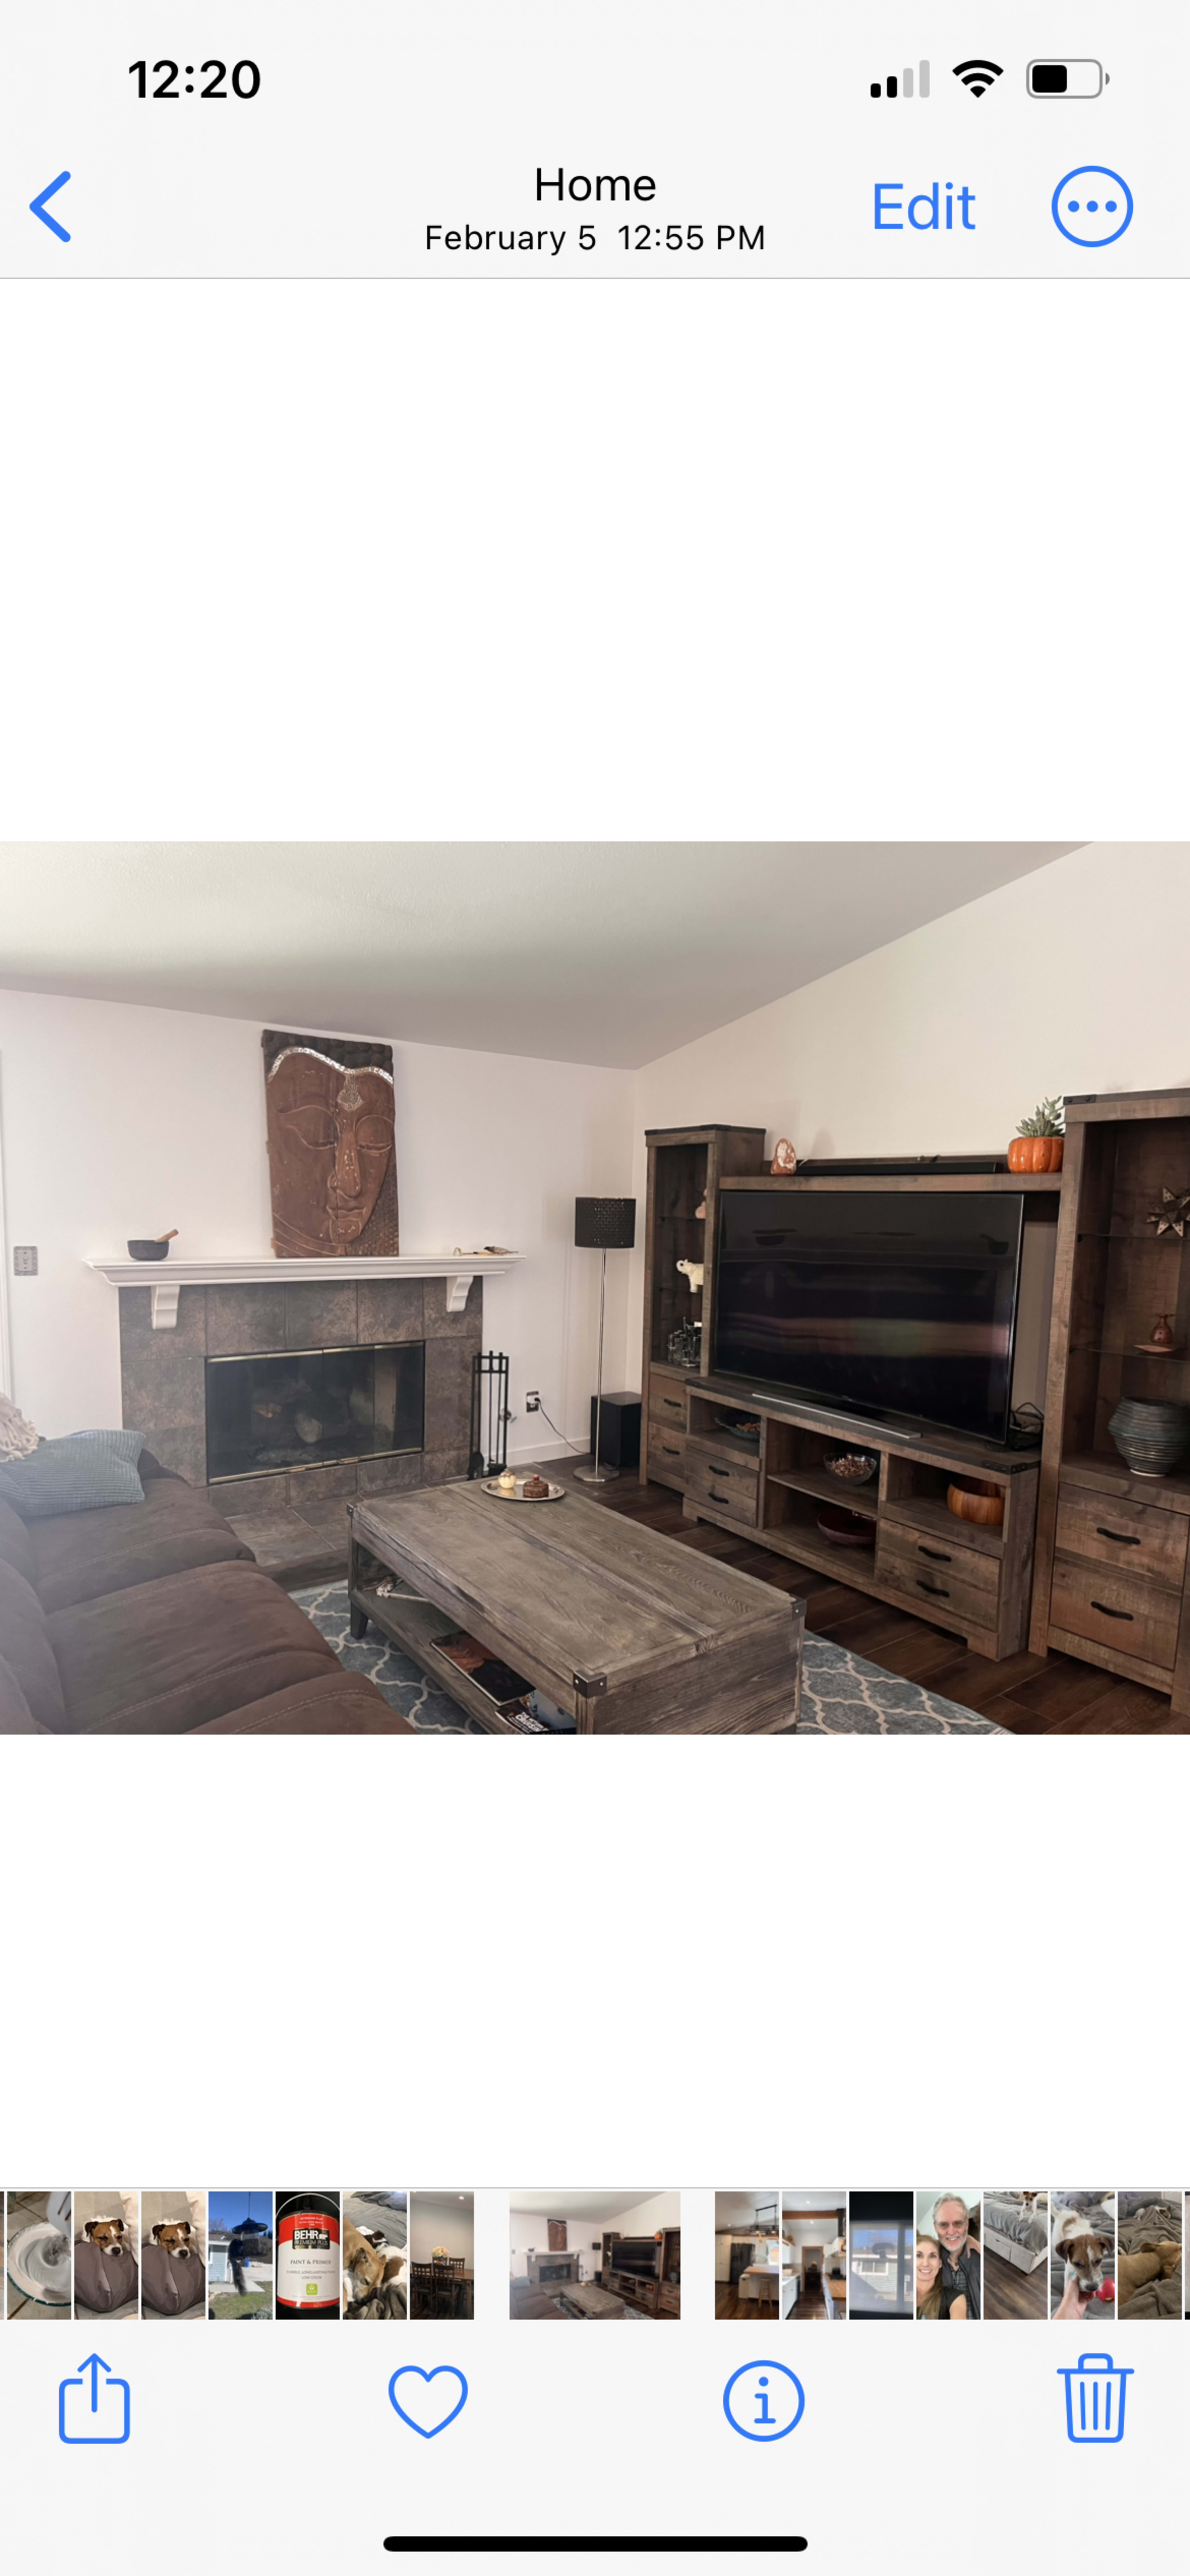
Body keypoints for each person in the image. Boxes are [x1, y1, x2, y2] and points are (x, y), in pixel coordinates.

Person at [933, 2193, 981, 2321]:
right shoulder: (929, 2263)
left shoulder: (982, 2259)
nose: (952, 2232)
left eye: (958, 2224)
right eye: (944, 2225)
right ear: (935, 2227)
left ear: (967, 2224)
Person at [916, 2233, 968, 2319]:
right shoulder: (900, 2295)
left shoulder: (955, 2298)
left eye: (933, 2256)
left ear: (940, 2263)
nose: (926, 2264)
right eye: (919, 2256)